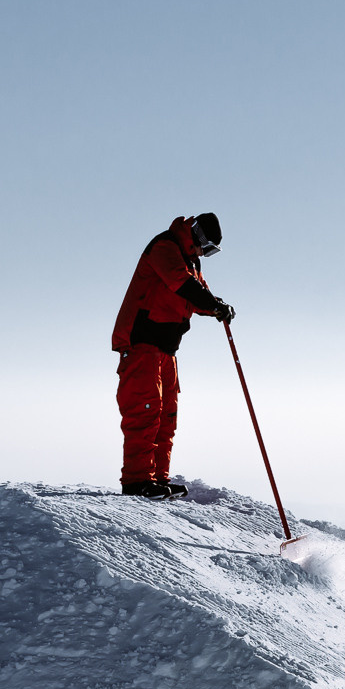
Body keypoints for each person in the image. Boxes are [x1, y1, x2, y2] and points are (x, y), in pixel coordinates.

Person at [111, 213, 234, 498]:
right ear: (199, 236)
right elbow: (182, 285)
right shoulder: (164, 247)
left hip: (167, 349)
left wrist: (218, 306)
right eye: (209, 247)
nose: (207, 253)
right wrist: (211, 304)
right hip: (143, 343)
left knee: (167, 414)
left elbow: (199, 295)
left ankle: (156, 478)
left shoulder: (191, 260)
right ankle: (137, 481)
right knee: (145, 410)